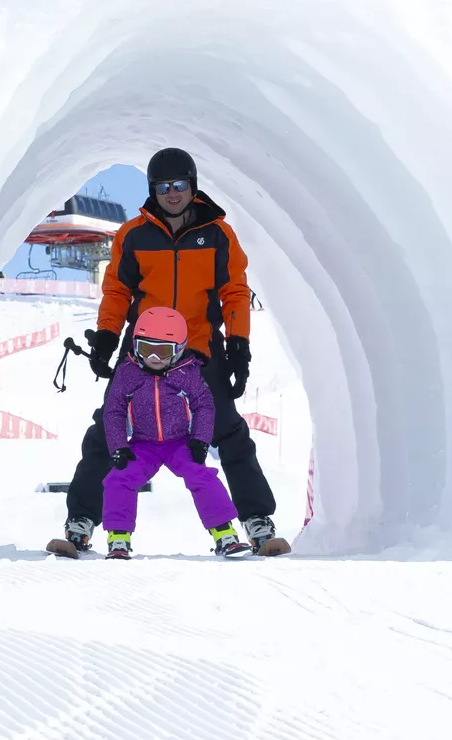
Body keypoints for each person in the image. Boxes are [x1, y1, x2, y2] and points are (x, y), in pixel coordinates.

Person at [50, 147, 290, 557]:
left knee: (229, 432)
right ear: (153, 190)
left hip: (198, 348)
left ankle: (257, 523)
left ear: (192, 186)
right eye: (164, 186)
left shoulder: (217, 234)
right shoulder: (134, 235)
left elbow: (233, 291)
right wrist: (108, 337)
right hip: (142, 350)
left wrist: (238, 345)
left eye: (179, 185)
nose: (172, 193)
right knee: (107, 429)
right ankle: (81, 523)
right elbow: (117, 291)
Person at [98, 307, 252, 560]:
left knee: (201, 475)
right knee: (119, 478)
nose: (155, 358)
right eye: (147, 349)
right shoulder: (128, 373)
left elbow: (204, 405)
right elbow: (113, 409)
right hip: (142, 445)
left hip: (179, 443)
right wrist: (118, 446)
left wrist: (200, 441)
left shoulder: (187, 372)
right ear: (136, 346)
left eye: (164, 351)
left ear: (179, 349)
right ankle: (118, 538)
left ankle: (225, 534)